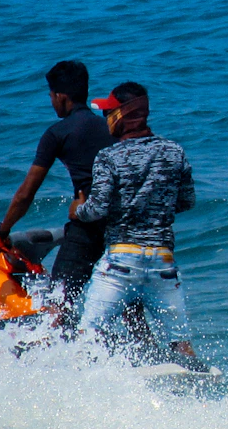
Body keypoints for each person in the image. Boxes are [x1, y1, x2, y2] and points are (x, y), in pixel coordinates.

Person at [72, 81, 199, 360]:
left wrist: (78, 209)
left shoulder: (108, 156)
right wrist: (157, 206)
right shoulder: (174, 151)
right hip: (163, 264)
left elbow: (98, 208)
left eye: (108, 113)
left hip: (121, 263)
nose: (105, 119)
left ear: (122, 116)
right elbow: (187, 201)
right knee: (181, 345)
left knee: (86, 337)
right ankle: (197, 393)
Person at [0, 60, 113, 315]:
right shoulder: (111, 127)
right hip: (121, 228)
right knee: (129, 307)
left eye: (50, 95)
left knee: (59, 303)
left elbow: (26, 193)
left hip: (88, 228)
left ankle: (56, 352)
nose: (51, 101)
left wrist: (2, 231)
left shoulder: (57, 134)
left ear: (61, 96)